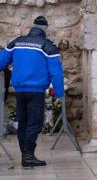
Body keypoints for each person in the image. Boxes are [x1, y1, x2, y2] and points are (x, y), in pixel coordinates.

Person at [0, 16, 64, 167]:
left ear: (32, 28)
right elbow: (56, 72)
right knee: (34, 123)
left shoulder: (16, 42)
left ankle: (25, 154)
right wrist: (59, 93)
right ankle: (28, 156)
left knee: (23, 122)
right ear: (45, 30)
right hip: (36, 91)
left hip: (20, 91)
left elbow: (1, 62)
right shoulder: (48, 46)